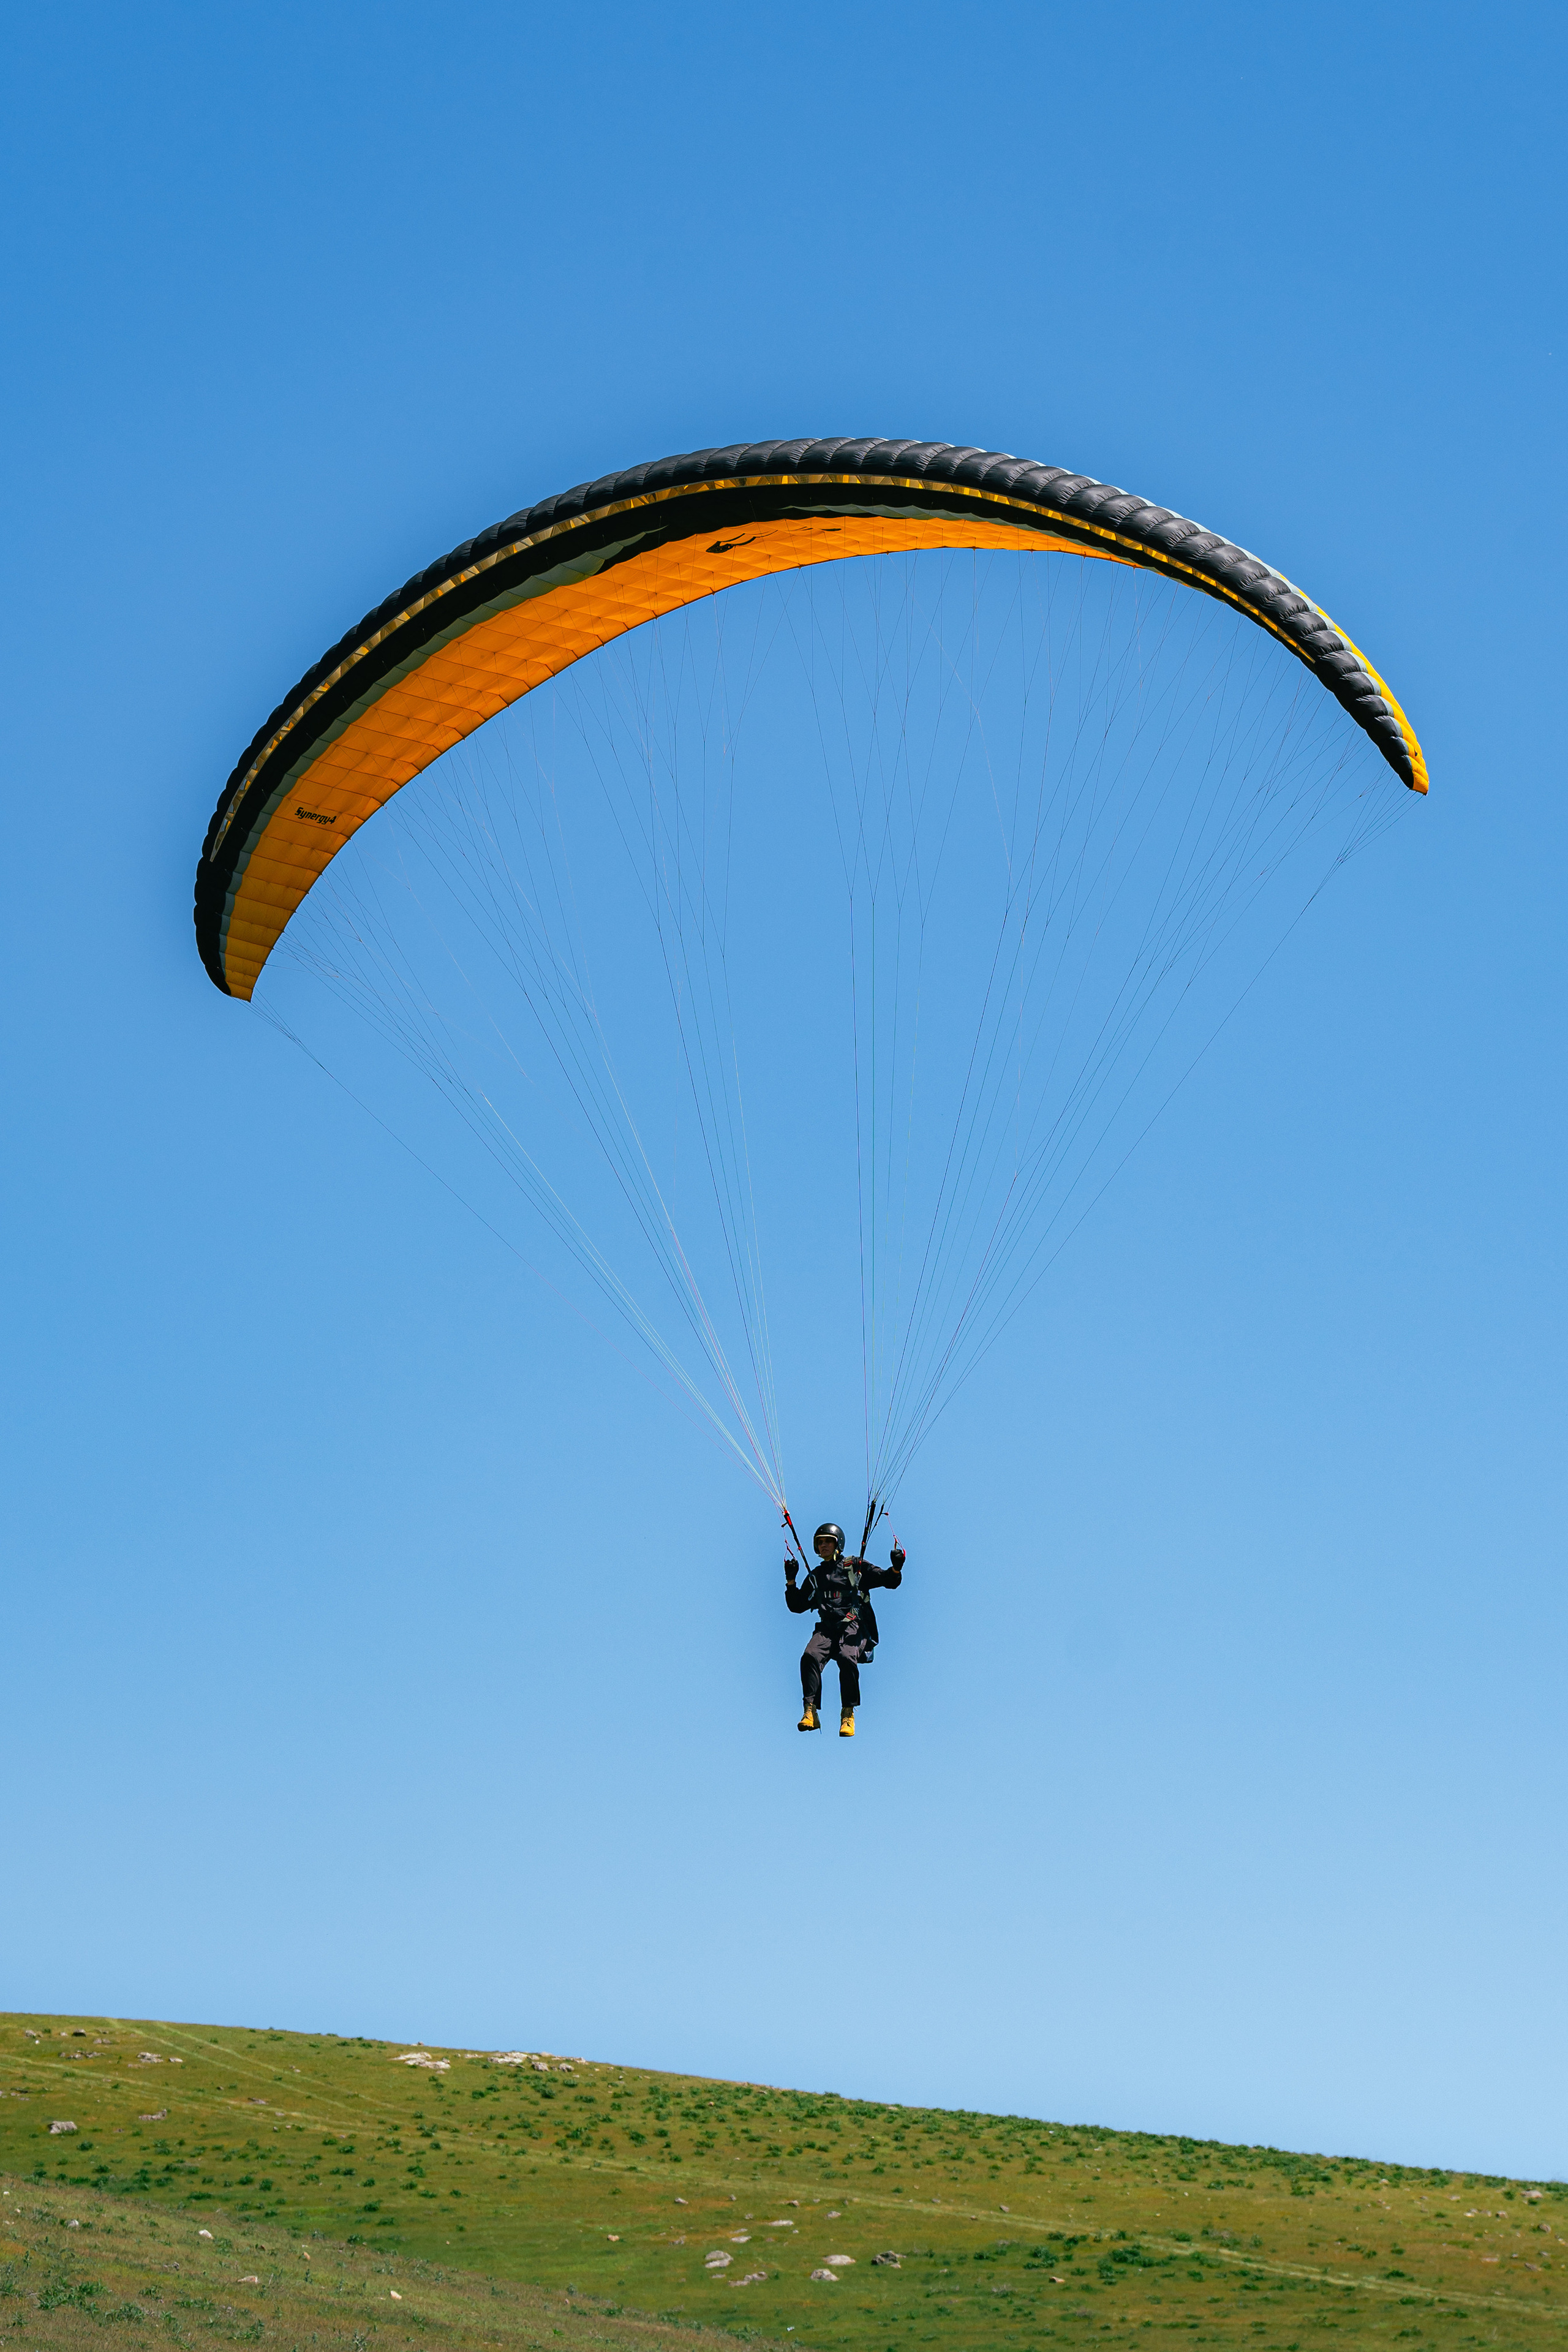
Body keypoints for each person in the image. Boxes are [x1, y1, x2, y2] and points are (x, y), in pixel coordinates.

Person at [786, 1521, 905, 1736]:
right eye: (820, 1543)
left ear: (837, 1544)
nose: (823, 1547)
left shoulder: (854, 1567)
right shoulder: (816, 1577)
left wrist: (896, 1568)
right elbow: (797, 1606)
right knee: (809, 1656)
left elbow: (888, 1581)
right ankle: (810, 1711)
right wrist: (791, 1581)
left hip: (853, 1627)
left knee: (846, 1657)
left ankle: (848, 1713)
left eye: (827, 1542)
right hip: (826, 1629)